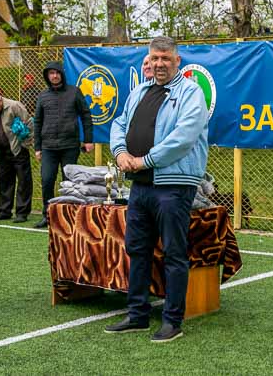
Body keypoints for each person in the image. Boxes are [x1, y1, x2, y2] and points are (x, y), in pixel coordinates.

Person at [104, 37, 209, 343]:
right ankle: (136, 315)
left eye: (165, 58)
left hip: (173, 186)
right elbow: (119, 123)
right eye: (155, 58)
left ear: (178, 61)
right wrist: (121, 153)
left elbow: (183, 138)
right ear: (148, 60)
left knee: (174, 253)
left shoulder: (191, 93)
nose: (159, 63)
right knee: (136, 249)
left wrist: (144, 160)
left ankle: (172, 321)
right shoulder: (139, 91)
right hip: (141, 186)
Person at [33, 61, 94, 228]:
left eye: (57, 73)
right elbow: (37, 121)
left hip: (70, 146)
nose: (54, 76)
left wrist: (88, 139)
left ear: (62, 74)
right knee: (47, 181)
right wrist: (37, 147)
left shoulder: (74, 92)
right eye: (51, 73)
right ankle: (48, 215)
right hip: (48, 148)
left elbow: (86, 115)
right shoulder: (43, 96)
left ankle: (68, 217)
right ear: (47, 76)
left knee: (69, 183)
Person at [0, 90, 33, 223]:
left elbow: (29, 123)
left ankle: (22, 213)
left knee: (24, 181)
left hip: (18, 150)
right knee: (4, 181)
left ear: (0, 100)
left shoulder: (15, 106)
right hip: (2, 151)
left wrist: (25, 145)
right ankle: (4, 211)